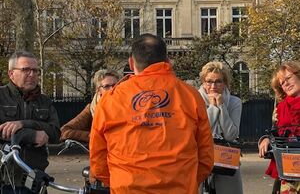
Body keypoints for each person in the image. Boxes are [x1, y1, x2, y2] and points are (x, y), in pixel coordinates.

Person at [90, 33, 214, 194]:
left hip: (128, 188)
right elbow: (206, 156)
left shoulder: (111, 99)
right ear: (168, 61)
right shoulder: (190, 96)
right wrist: (187, 180)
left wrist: (118, 181)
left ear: (131, 63)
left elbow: (98, 159)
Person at [0, 51, 61, 193]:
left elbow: (56, 133)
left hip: (34, 179)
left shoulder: (45, 101)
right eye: (26, 70)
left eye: (35, 70)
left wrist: (23, 124)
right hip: (4, 180)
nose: (32, 74)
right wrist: (33, 135)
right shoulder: (1, 97)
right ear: (11, 74)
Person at [199, 61, 243, 194]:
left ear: (225, 83)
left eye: (218, 81)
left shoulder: (235, 102)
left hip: (226, 157)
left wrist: (222, 106)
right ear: (203, 83)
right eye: (209, 81)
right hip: (201, 156)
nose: (213, 86)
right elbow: (201, 131)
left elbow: (231, 135)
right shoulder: (195, 100)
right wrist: (212, 108)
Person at [258, 61, 300, 194]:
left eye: (288, 78)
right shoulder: (280, 107)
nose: (285, 84)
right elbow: (276, 131)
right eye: (282, 83)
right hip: (289, 171)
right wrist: (267, 139)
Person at [60, 69, 119, 143]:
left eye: (115, 85)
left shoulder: (128, 106)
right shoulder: (92, 109)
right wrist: (96, 136)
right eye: (106, 86)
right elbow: (64, 131)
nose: (112, 89)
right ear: (98, 90)